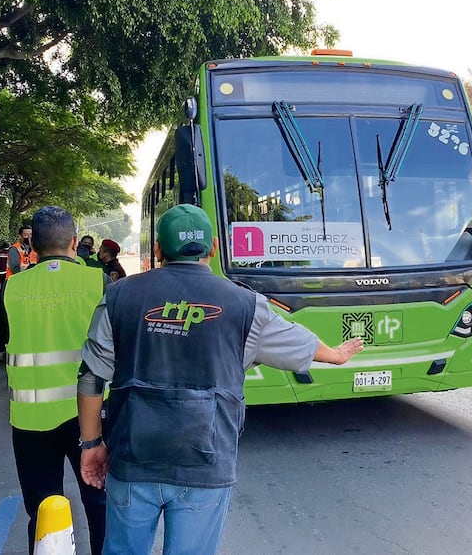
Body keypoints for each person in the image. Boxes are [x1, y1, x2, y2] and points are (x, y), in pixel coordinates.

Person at [77, 203, 364, 555]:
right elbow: (296, 341)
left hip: (132, 458)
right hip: (206, 464)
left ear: (158, 250)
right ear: (213, 248)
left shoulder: (121, 295)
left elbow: (92, 376)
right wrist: (334, 354)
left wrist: (91, 445)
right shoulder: (246, 305)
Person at [0, 206, 107, 555]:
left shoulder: (14, 287)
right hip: (90, 418)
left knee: (42, 508)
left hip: (30, 421)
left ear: (33, 246)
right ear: (73, 242)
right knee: (99, 503)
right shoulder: (98, 281)